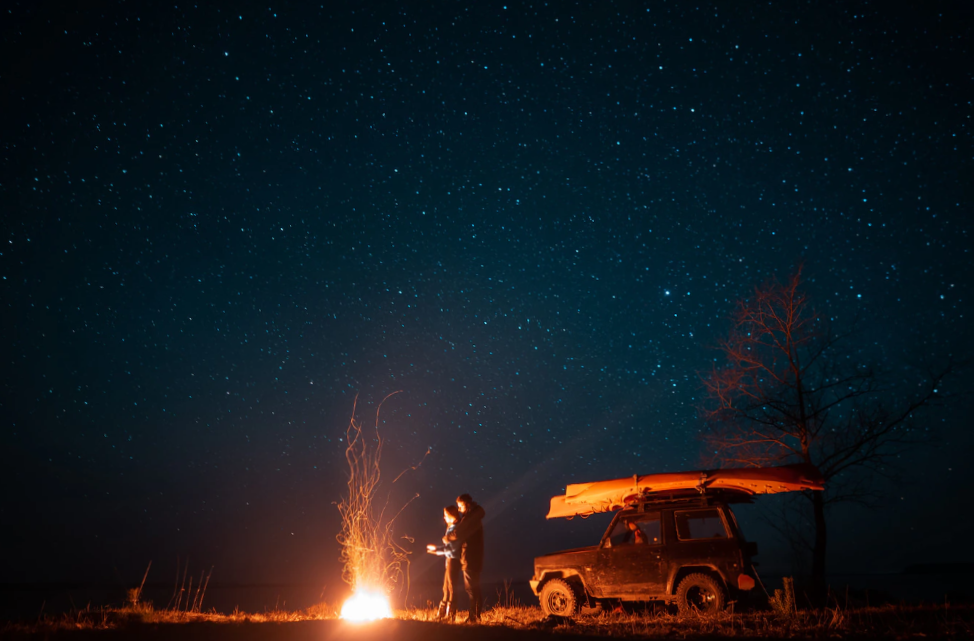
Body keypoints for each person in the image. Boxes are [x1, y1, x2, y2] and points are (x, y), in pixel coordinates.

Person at [444, 493, 485, 623]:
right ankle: (475, 615)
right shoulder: (473, 516)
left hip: (470, 557)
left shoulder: (470, 518)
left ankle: (474, 617)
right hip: (474, 557)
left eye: (460, 506)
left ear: (466, 504)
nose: (459, 509)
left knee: (471, 588)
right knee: (474, 588)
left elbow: (457, 533)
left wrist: (446, 538)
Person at [427, 505, 462, 621]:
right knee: (445, 588)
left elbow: (452, 548)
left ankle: (450, 615)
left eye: (446, 515)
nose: (444, 518)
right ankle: (442, 614)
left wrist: (437, 551)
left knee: (452, 588)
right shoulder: (451, 528)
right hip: (449, 560)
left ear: (452, 516)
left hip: (454, 560)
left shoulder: (456, 529)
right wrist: (436, 549)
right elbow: (448, 547)